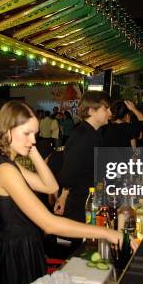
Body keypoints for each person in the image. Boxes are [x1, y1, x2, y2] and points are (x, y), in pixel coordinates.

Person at [0, 100, 126, 284]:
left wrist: (30, 149)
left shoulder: (8, 163)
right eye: (27, 133)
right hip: (17, 256)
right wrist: (107, 233)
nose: (33, 139)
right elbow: (50, 224)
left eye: (35, 133)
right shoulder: (5, 170)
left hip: (25, 249)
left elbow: (50, 186)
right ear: (7, 131)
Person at [54, 91, 112, 223]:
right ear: (91, 111)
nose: (110, 113)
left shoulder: (93, 133)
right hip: (81, 206)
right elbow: (67, 176)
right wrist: (64, 196)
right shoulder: (84, 136)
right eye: (106, 109)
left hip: (89, 201)